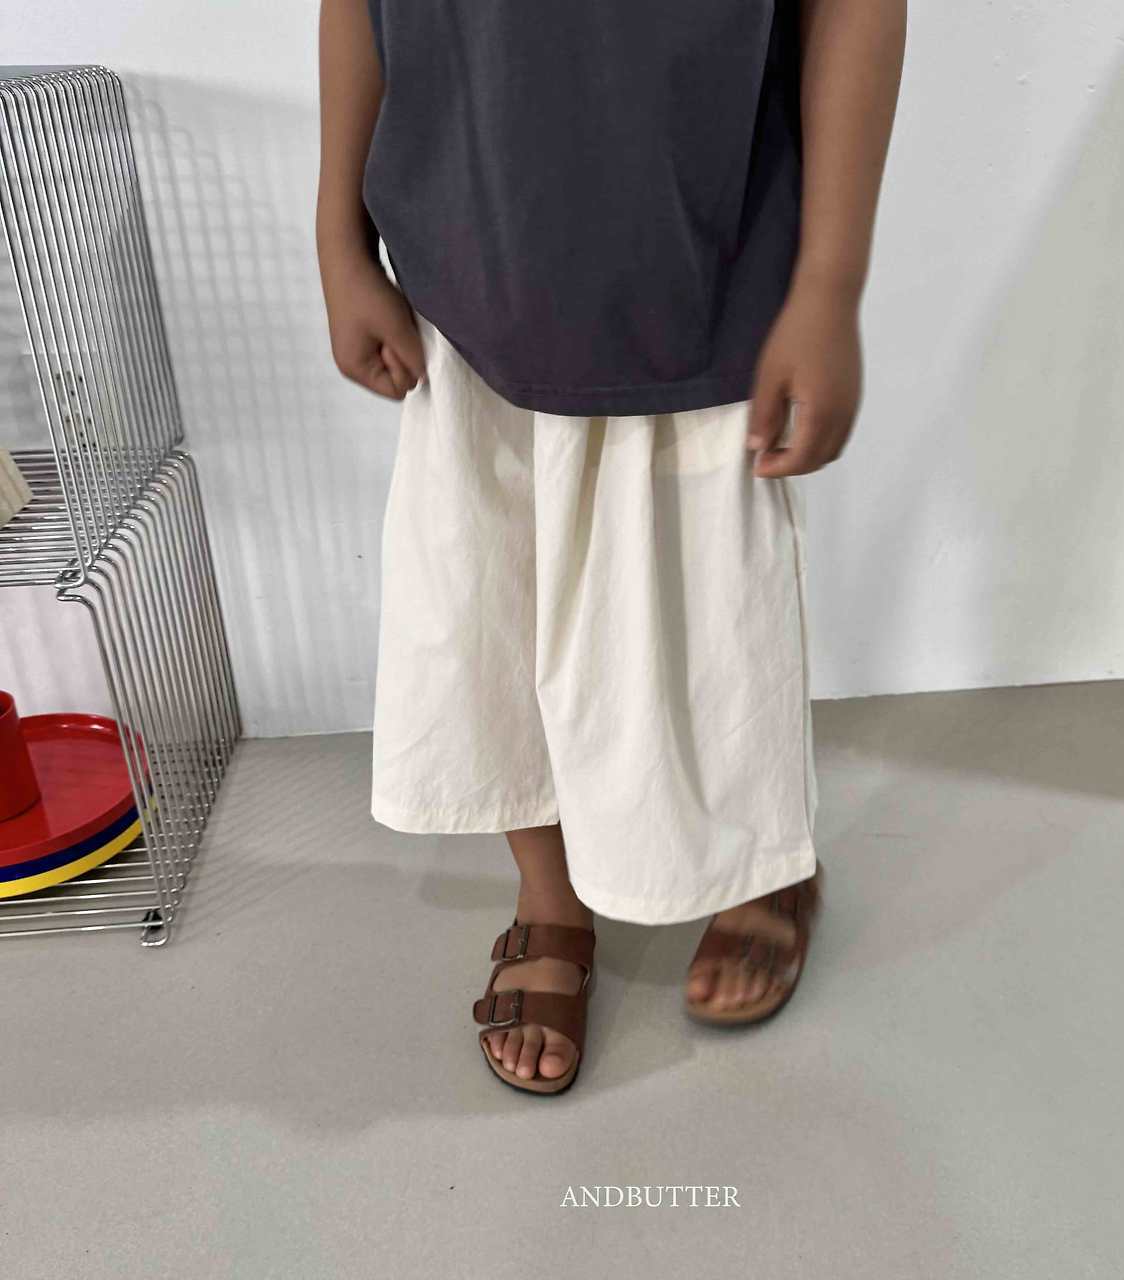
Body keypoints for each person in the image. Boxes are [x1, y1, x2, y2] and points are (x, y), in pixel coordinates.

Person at [316, 0, 906, 1095]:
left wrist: (830, 283)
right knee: (490, 598)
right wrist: (336, 237)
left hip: (697, 250)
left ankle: (756, 865)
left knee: (704, 618)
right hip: (467, 252)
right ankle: (550, 895)